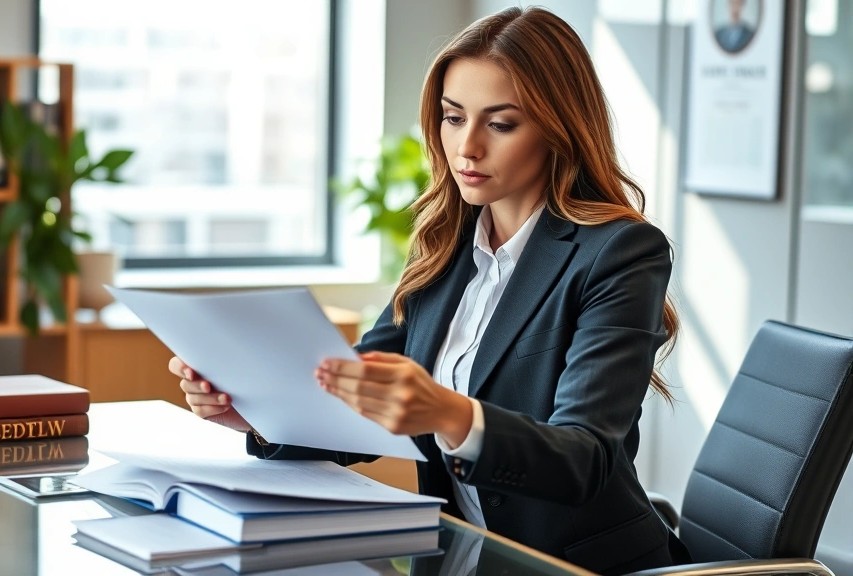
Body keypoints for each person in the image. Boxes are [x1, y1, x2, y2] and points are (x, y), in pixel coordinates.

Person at [170, 6, 691, 575]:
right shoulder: (444, 243)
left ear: (557, 127)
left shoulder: (619, 253)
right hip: (456, 561)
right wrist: (261, 413)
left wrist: (450, 414)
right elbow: (360, 399)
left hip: (575, 567)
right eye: (452, 117)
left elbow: (582, 461)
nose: (466, 147)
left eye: (500, 124)